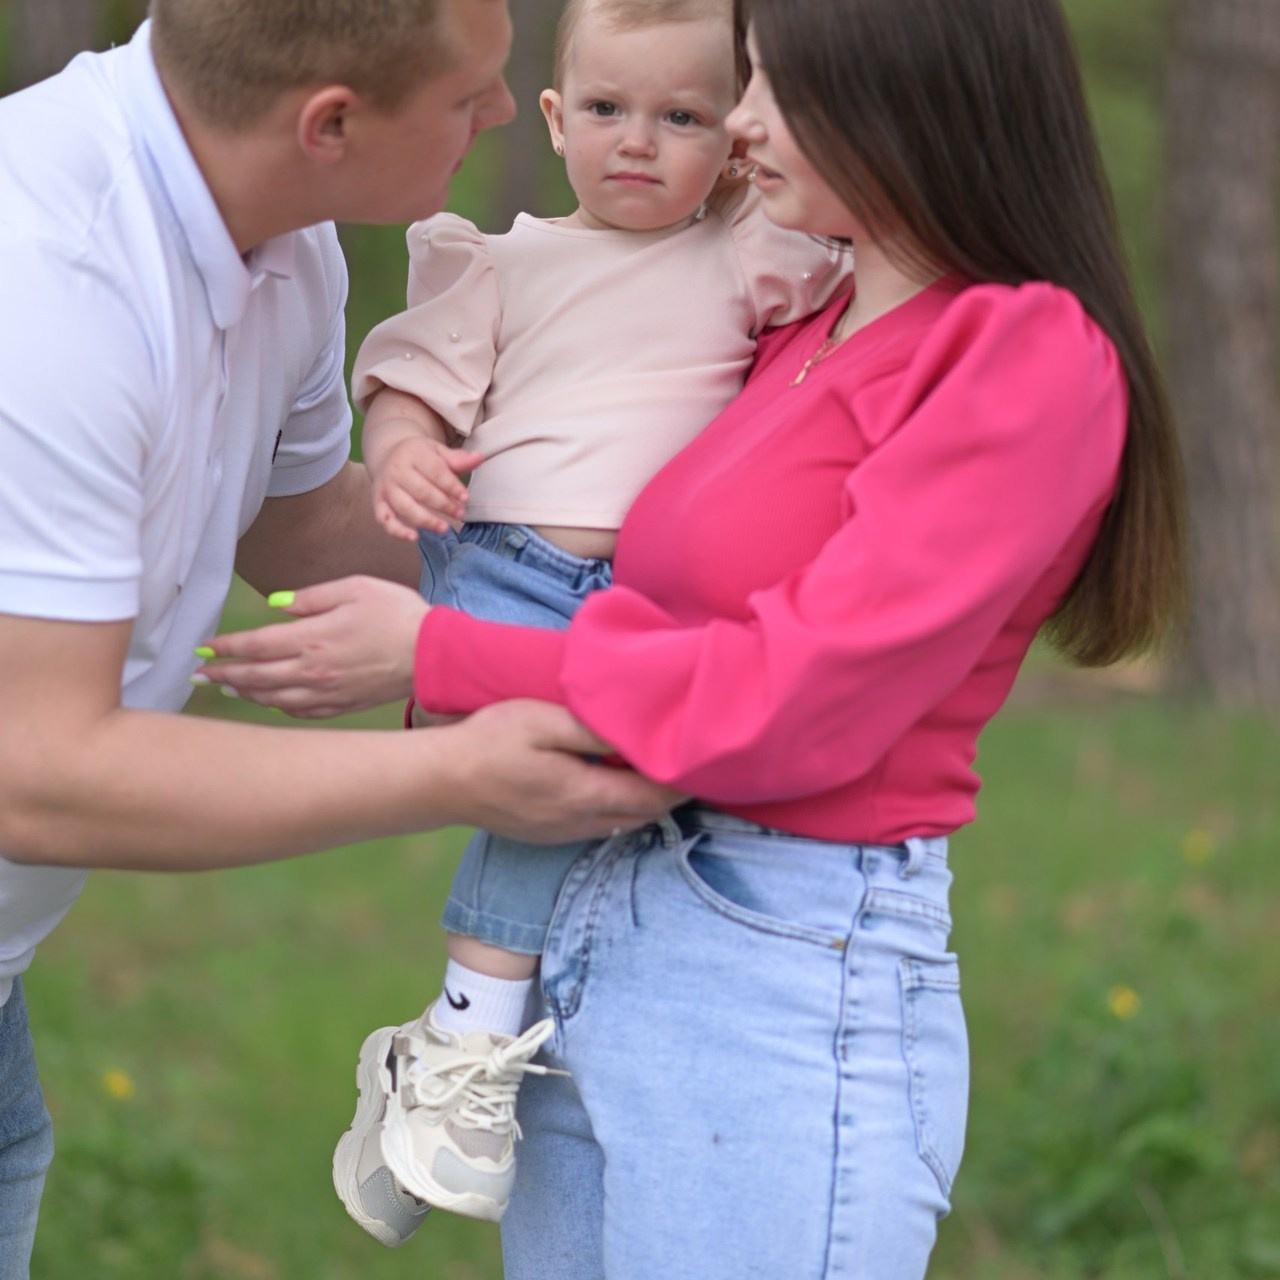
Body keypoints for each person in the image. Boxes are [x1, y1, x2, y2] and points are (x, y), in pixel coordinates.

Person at [200, 0, 1190, 1274]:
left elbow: (797, 693)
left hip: (776, 949)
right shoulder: (785, 328)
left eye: (775, 91)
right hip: (601, 916)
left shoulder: (1017, 349)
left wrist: (437, 655)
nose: (739, 123)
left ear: (905, 99)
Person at [0, 1, 680, 1274]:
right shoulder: (45, 283)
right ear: (331, 124)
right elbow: (33, 769)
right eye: (471, 92)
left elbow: (301, 526)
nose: (499, 114)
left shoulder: (285, 243)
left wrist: (639, 561)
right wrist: (458, 772)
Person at [321, 0, 849, 1245]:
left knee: (619, 813)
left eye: (680, 119)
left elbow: (855, 255)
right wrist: (400, 454)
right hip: (510, 563)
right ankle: (467, 1030)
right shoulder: (497, 259)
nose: (637, 143)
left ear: (732, 142)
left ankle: (461, 1058)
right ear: (554, 119)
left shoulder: (742, 251)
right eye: (607, 110)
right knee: (558, 767)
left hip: (649, 603)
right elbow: (409, 386)